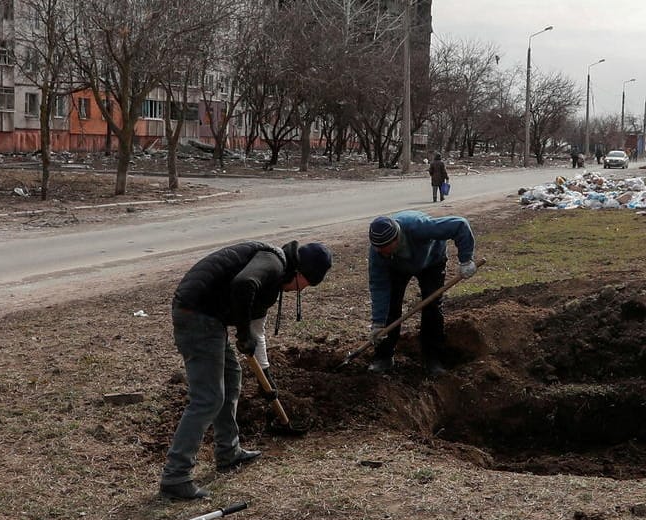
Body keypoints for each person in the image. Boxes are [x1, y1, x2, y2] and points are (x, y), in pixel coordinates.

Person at [163, 239, 333, 500]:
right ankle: (176, 476)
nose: (300, 290)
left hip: (208, 318)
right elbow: (244, 284)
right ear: (301, 273)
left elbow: (257, 331)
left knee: (231, 378)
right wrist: (242, 333)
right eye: (306, 285)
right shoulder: (273, 262)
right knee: (208, 398)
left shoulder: (271, 278)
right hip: (196, 315)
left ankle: (228, 452)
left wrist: (266, 376)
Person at [367, 211, 475, 376]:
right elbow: (379, 287)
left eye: (384, 249)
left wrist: (466, 260)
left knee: (432, 307)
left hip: (432, 261)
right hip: (397, 268)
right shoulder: (378, 253)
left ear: (396, 239)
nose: (381, 252)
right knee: (391, 306)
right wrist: (378, 323)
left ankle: (433, 359)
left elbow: (460, 224)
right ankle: (383, 356)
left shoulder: (418, 227)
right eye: (378, 249)